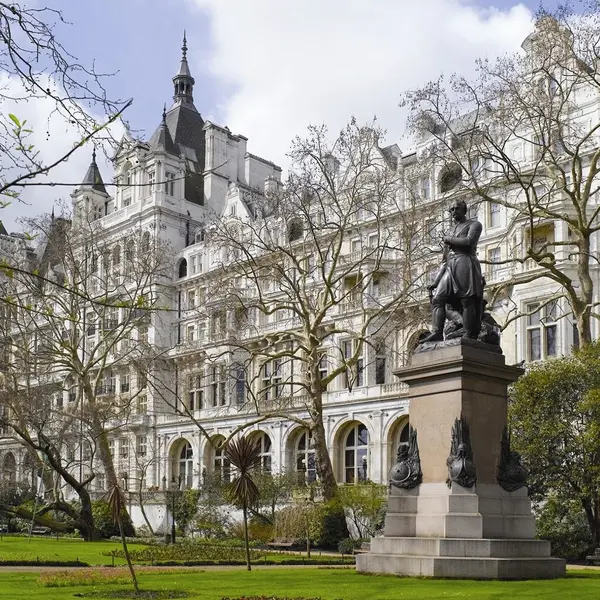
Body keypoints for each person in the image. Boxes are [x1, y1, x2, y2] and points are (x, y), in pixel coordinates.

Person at [421, 200, 484, 342]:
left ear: (464, 210)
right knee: (438, 298)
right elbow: (444, 260)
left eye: (456, 208)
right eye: (451, 209)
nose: (453, 211)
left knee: (467, 300)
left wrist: (449, 239)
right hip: (450, 266)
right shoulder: (450, 230)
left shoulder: (474, 225)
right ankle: (437, 332)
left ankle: (469, 335)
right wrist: (436, 281)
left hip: (465, 263)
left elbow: (469, 242)